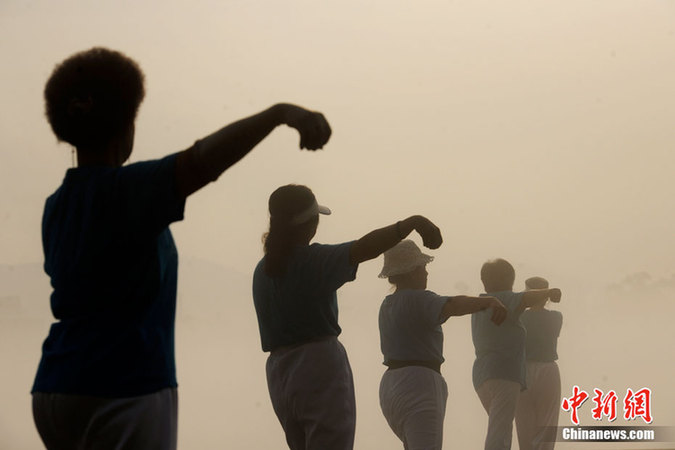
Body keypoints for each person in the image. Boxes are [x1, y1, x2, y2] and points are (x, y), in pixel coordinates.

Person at [32, 47, 332, 450]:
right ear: (125, 125)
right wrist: (279, 113)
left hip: (55, 390)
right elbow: (203, 160)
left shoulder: (57, 205)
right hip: (124, 391)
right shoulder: (130, 191)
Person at [252, 185, 443, 450]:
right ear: (310, 224)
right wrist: (409, 224)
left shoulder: (262, 271)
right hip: (319, 368)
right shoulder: (311, 261)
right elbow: (364, 248)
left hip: (278, 374)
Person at [377, 240, 508, 450]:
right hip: (419, 383)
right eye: (423, 268)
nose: (427, 273)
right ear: (412, 272)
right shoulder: (419, 299)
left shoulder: (387, 305)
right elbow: (452, 305)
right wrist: (488, 301)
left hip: (390, 386)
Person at [472, 259, 562, 450]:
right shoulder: (510, 302)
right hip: (511, 373)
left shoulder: (480, 304)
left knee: (516, 425)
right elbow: (524, 299)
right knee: (540, 426)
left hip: (484, 374)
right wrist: (549, 292)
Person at [515, 276, 563, 450]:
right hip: (548, 369)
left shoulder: (519, 317)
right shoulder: (556, 317)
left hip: (523, 369)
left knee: (524, 423)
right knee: (547, 424)